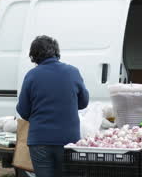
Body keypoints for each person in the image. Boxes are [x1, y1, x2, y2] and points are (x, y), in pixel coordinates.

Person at [17, 35, 89, 177]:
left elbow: (23, 111)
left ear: (34, 56)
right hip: (68, 140)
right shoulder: (72, 72)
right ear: (56, 52)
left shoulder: (31, 75)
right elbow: (83, 102)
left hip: (39, 141)